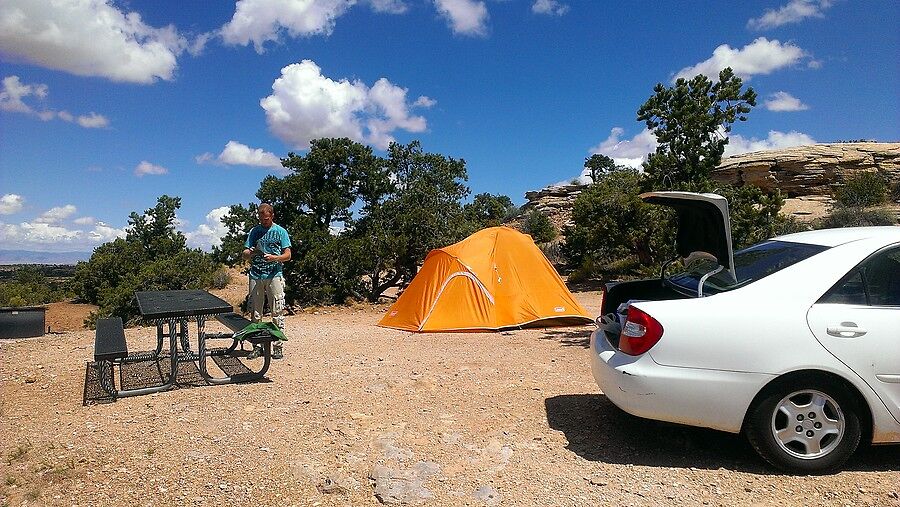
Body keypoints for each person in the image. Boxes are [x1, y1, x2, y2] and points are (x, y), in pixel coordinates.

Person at [242, 203, 291, 359]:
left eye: (266, 219)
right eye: (261, 219)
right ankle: (257, 346)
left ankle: (277, 346)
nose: (264, 222)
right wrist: (249, 253)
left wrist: (275, 258)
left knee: (277, 310)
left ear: (272, 216)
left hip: (274, 274)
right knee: (255, 312)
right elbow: (245, 251)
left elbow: (288, 255)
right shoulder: (254, 232)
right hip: (256, 275)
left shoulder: (280, 231)